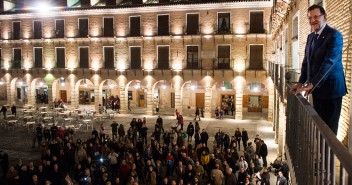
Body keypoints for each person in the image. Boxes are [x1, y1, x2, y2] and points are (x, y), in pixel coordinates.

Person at [289, 4, 347, 135]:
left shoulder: (334, 35)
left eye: (316, 16)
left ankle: (327, 156)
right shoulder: (311, 37)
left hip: (331, 91)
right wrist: (300, 82)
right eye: (310, 18)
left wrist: (310, 85)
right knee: (318, 127)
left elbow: (329, 63)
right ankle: (320, 155)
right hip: (317, 90)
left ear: (325, 17)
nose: (312, 20)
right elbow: (306, 62)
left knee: (329, 131)